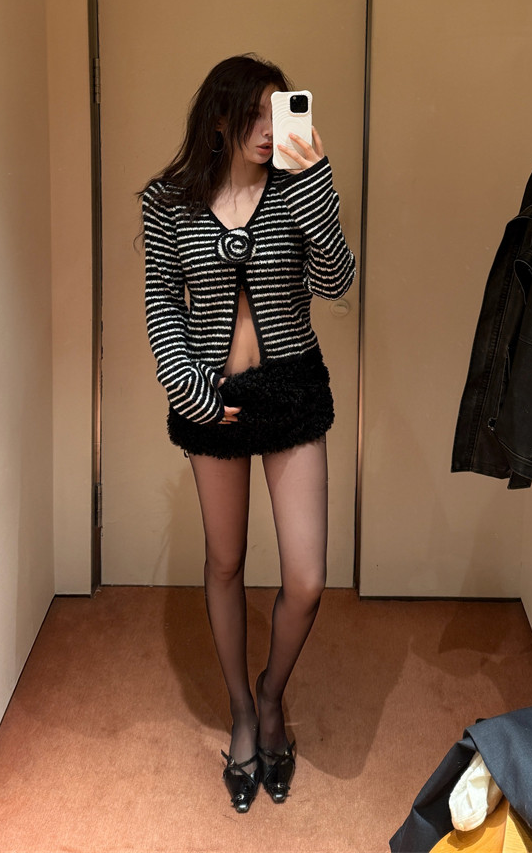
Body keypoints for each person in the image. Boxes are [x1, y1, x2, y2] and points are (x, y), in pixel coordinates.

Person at [139, 54, 356, 813]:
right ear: (220, 117)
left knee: (306, 578)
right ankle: (240, 711)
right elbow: (161, 302)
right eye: (256, 114)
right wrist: (190, 389)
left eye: (279, 112)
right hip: (214, 402)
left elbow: (336, 280)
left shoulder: (298, 190)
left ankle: (271, 693)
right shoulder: (169, 203)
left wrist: (317, 180)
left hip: (291, 392)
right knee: (225, 562)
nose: (269, 129)